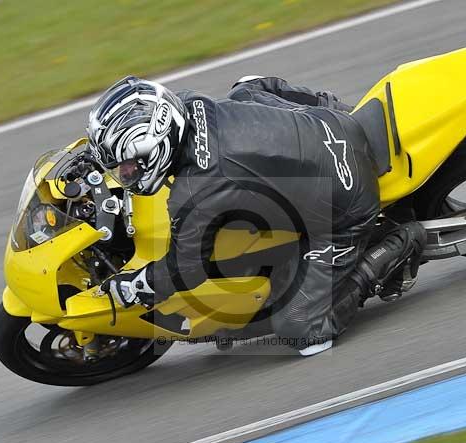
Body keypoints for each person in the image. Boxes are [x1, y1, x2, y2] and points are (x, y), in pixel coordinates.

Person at [85, 75, 425, 356]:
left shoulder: (196, 192)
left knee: (301, 330)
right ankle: (332, 102)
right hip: (334, 123)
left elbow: (186, 268)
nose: (125, 174)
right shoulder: (189, 103)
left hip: (347, 202)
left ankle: (401, 241)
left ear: (156, 146)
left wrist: (135, 285)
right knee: (246, 87)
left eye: (128, 165)